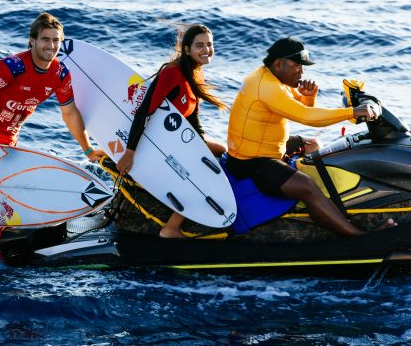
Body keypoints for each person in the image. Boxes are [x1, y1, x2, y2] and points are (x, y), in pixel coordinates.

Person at [226, 37, 395, 236]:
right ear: (279, 63)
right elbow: (308, 117)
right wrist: (353, 112)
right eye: (297, 66)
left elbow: (299, 109)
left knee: (312, 144)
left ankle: (325, 204)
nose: (302, 72)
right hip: (252, 162)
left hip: (267, 146)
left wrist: (307, 97)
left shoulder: (272, 78)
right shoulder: (266, 87)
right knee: (306, 186)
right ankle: (356, 235)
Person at [116, 24, 228, 238]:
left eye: (209, 44)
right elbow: (143, 112)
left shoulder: (195, 72)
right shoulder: (172, 73)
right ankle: (172, 227)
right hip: (160, 142)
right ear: (186, 49)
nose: (206, 49)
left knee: (220, 150)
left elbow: (192, 115)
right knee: (201, 171)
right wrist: (130, 152)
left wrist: (200, 144)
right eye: (199, 45)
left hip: (177, 138)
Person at [0, 12, 105, 165]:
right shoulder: (14, 66)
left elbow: (70, 113)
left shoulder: (60, 73)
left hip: (9, 146)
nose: (51, 46)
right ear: (32, 41)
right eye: (45, 39)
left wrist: (88, 150)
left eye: (56, 40)